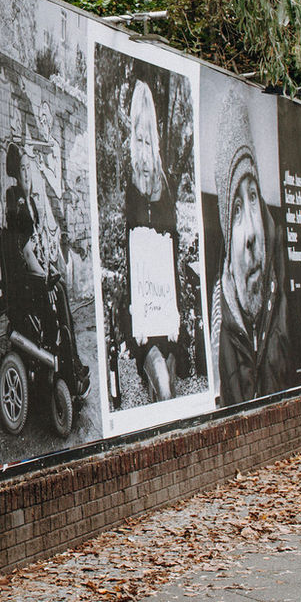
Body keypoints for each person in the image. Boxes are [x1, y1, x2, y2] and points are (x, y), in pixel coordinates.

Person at [210, 95, 293, 406]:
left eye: (253, 196)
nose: (250, 235)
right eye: (235, 210)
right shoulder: (221, 324)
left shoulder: (283, 288)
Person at [3, 142, 90, 399]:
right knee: (58, 292)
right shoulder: (15, 199)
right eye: (22, 169)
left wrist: (50, 267)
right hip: (25, 280)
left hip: (36, 272)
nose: (27, 173)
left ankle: (69, 362)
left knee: (61, 290)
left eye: (28, 167)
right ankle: (68, 368)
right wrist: (43, 276)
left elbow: (39, 245)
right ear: (15, 172)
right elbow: (26, 250)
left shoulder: (30, 200)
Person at [116, 81, 186, 402]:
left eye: (149, 138)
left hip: (165, 306)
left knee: (168, 376)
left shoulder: (165, 181)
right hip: (142, 308)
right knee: (157, 373)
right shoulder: (129, 182)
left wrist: (174, 313)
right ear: (134, 137)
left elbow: (171, 249)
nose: (144, 148)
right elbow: (131, 254)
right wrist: (137, 315)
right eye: (139, 138)